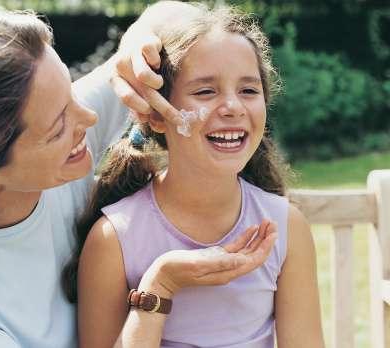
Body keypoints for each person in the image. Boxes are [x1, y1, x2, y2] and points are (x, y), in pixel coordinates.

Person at [0, 2, 276, 348]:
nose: (89, 118)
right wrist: (158, 287)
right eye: (58, 127)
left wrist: (137, 42)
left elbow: (176, 14)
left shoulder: (52, 119)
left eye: (71, 92)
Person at [75, 3, 325, 348]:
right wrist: (159, 285)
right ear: (157, 116)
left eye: (249, 91)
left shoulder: (286, 226)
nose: (234, 107)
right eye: (206, 91)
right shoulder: (113, 239)